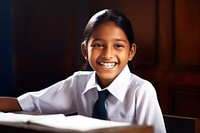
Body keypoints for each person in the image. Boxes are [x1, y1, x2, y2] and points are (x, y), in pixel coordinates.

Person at [0, 9, 166, 133]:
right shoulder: (78, 84)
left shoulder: (141, 91)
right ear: (85, 51)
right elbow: (28, 103)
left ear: (131, 52)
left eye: (118, 46)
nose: (108, 54)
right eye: (98, 45)